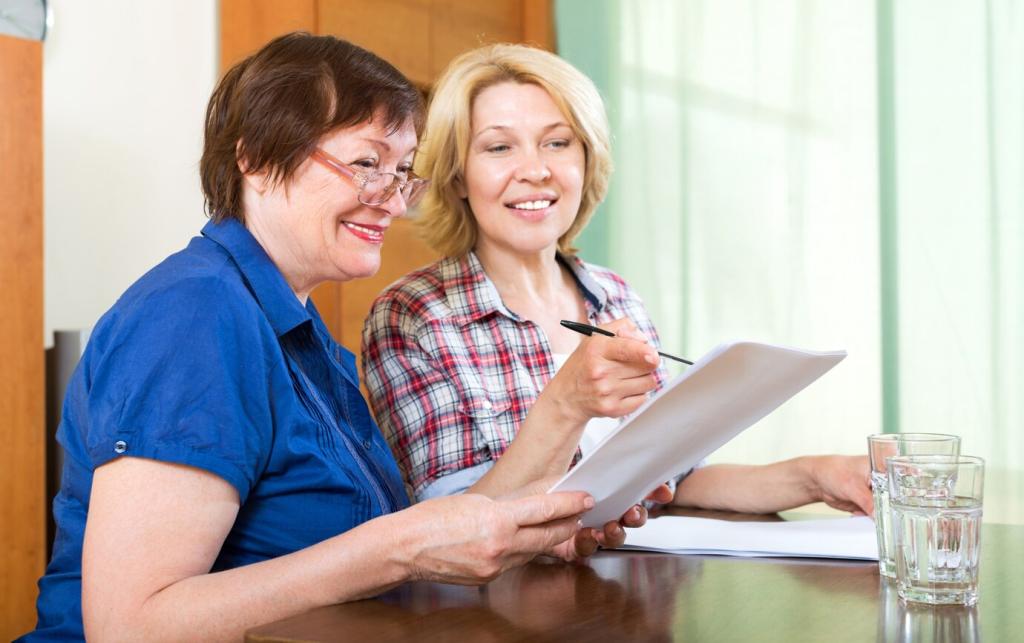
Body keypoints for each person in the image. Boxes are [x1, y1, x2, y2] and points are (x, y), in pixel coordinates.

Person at [20, 34, 659, 643]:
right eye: (365, 165)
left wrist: (530, 530)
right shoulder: (194, 316)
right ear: (255, 159)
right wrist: (397, 550)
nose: (393, 201)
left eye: (401, 172)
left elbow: (409, 544)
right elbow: (132, 628)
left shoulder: (297, 332)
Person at [362, 43, 872, 515]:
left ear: (586, 160)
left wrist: (815, 475)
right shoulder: (412, 316)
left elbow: (675, 480)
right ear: (457, 176)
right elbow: (452, 525)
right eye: (499, 148)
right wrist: (566, 404)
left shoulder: (616, 297)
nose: (535, 170)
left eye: (557, 142)